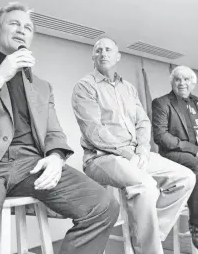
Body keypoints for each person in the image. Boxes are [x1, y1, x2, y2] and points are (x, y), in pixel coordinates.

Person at [0, 3, 120, 254]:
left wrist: (55, 156)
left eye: (28, 27)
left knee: (103, 206)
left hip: (32, 166)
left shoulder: (42, 86)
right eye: (14, 23)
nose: (22, 30)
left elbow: (54, 133)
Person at [71, 37, 196, 254]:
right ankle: (149, 250)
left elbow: (143, 122)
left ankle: (150, 236)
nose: (103, 53)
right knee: (145, 185)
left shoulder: (128, 88)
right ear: (93, 56)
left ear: (118, 56)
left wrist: (142, 150)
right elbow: (94, 130)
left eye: (108, 49)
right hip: (101, 157)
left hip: (137, 154)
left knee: (186, 178)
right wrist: (129, 153)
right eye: (98, 50)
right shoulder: (85, 86)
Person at [152, 65, 198, 249]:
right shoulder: (162, 103)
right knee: (196, 164)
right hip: (173, 154)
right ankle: (195, 224)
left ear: (192, 83)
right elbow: (160, 136)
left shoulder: (197, 102)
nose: (182, 83)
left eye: (186, 79)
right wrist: (192, 149)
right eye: (178, 79)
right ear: (172, 82)